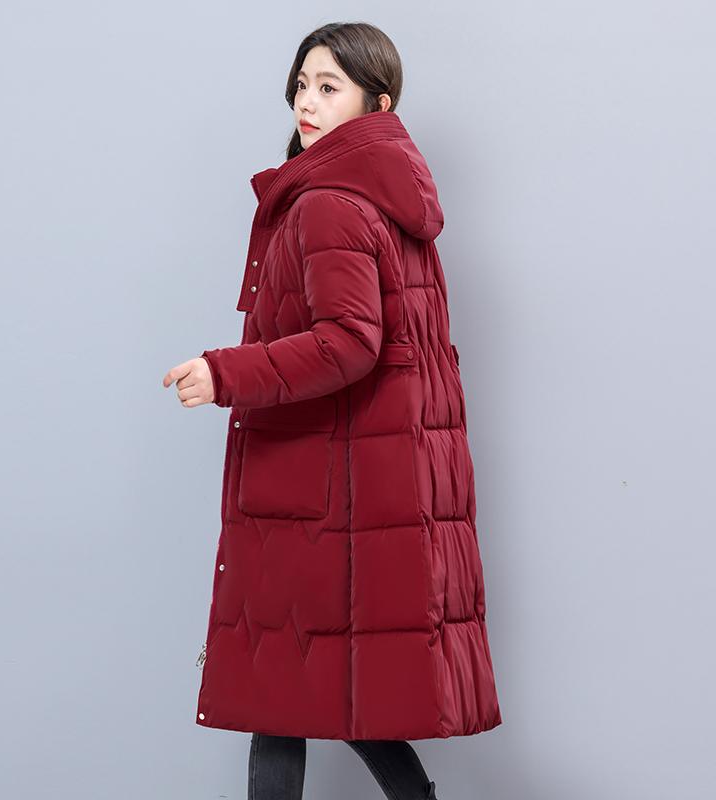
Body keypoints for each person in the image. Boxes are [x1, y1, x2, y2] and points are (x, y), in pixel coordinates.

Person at [163, 21, 501, 800]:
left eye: (328, 87)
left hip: (320, 487)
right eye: (301, 85)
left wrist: (224, 373)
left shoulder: (327, 203)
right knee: (321, 690)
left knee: (282, 692)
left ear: (377, 105)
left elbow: (348, 343)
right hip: (361, 482)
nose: (306, 103)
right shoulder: (383, 196)